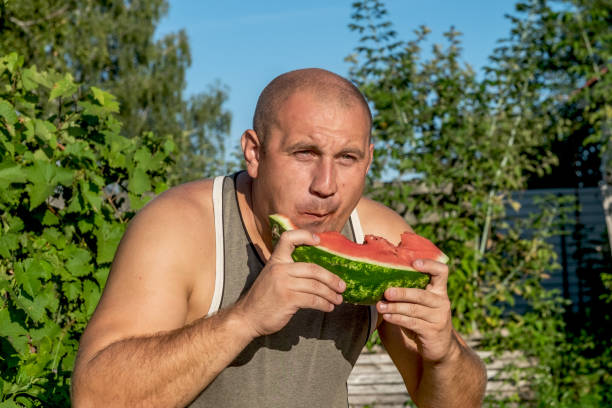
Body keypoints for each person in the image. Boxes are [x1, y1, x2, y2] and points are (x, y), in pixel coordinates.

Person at [71, 68, 487, 407]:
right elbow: (94, 398)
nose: (326, 185)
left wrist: (444, 353)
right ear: (254, 152)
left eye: (347, 158)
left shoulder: (379, 234)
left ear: (369, 160)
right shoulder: (180, 228)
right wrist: (245, 317)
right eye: (304, 153)